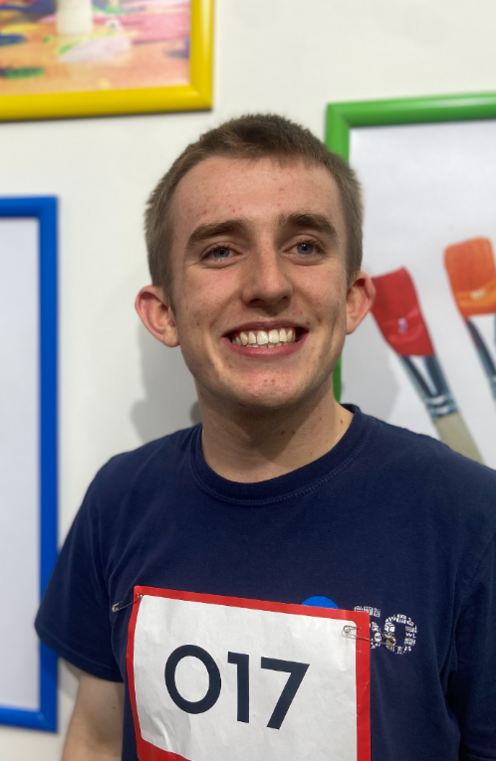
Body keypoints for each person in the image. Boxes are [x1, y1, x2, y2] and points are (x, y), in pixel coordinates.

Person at [36, 115, 496, 759]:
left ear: (354, 298)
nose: (270, 285)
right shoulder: (120, 497)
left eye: (305, 245)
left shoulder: (471, 519)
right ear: (163, 313)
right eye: (221, 250)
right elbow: (94, 734)